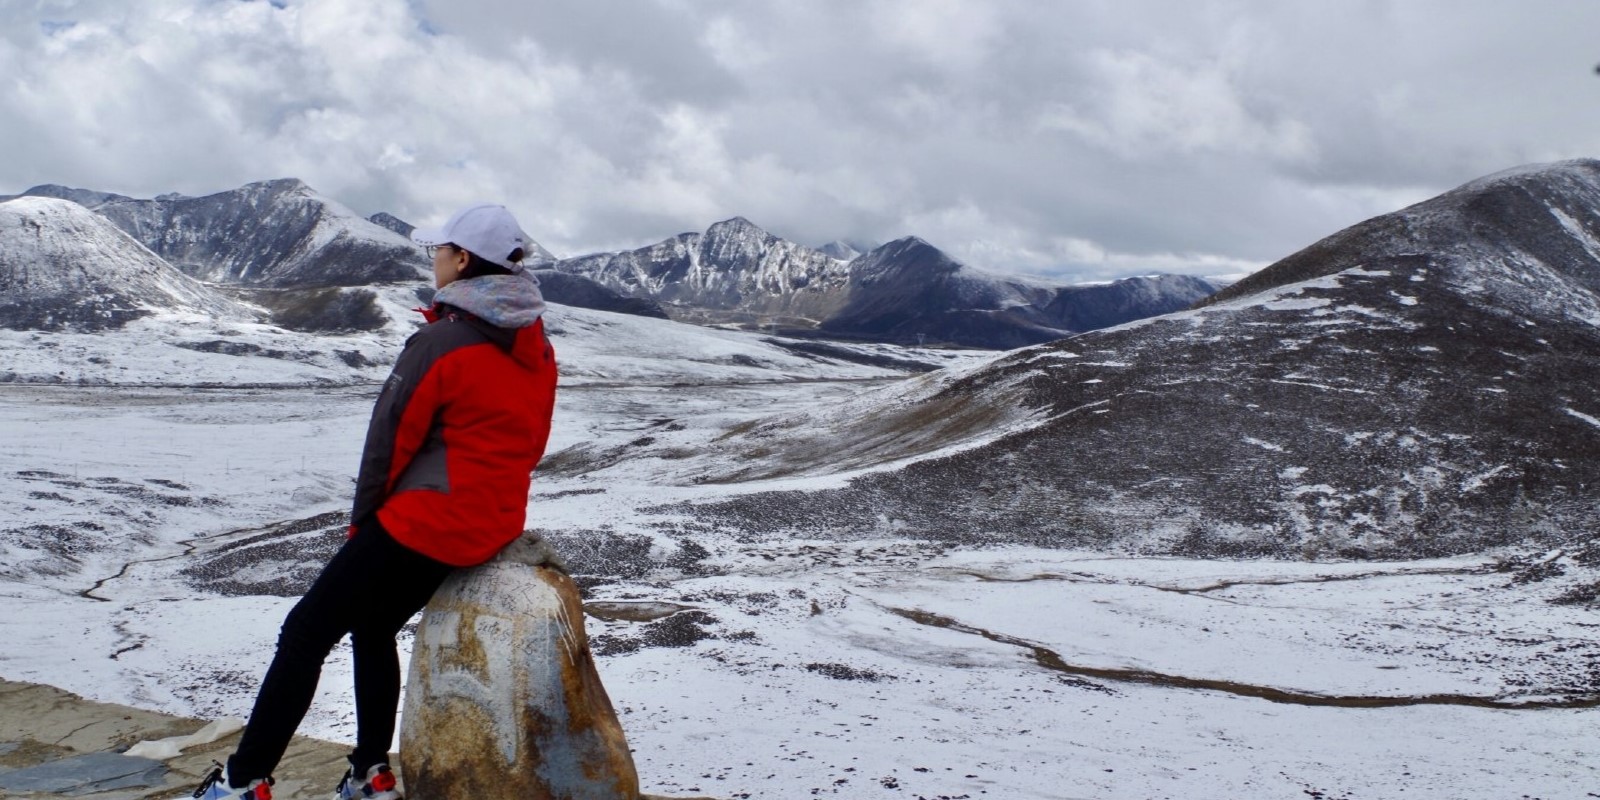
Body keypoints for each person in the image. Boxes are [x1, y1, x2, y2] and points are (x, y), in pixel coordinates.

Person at [190, 204, 559, 800]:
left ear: (462, 260)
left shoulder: (440, 341)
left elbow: (388, 442)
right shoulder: (536, 347)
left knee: (306, 631)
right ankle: (369, 774)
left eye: (439, 250)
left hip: (424, 522)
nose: (433, 258)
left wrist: (365, 527)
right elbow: (531, 441)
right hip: (488, 523)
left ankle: (242, 782)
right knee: (373, 625)